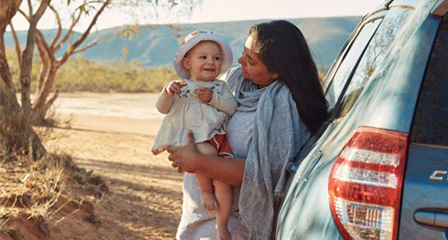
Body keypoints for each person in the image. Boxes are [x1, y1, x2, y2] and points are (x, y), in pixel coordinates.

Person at [167, 20, 328, 240]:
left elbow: (261, 172)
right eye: (244, 51)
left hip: (235, 224)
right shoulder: (235, 80)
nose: (240, 60)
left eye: (250, 60)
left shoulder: (285, 108)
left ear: (275, 73)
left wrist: (196, 162)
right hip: (198, 212)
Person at [151, 30, 236, 240]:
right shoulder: (180, 88)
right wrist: (166, 92)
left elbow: (232, 108)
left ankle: (222, 225)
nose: (211, 62)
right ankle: (206, 190)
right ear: (187, 63)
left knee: (224, 183)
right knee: (203, 153)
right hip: (192, 141)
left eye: (216, 58)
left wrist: (213, 99)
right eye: (203, 57)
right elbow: (162, 108)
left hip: (216, 138)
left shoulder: (219, 86)